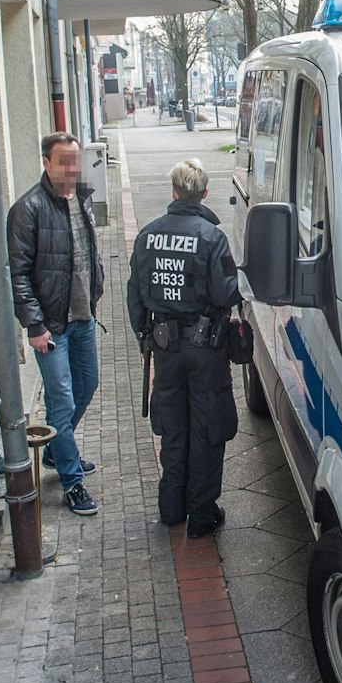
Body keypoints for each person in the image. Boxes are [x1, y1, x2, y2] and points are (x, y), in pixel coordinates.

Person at [128, 158, 242, 537]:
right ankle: (202, 515)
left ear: (174, 191)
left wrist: (146, 337)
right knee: (208, 431)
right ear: (204, 193)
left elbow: (135, 296)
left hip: (165, 350)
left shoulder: (147, 235)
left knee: (174, 431)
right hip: (206, 349)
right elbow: (226, 293)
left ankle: (171, 508)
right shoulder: (211, 237)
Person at [9, 132, 105, 516]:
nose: (71, 168)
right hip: (51, 325)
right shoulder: (28, 209)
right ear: (46, 163)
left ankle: (55, 449)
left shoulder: (81, 197)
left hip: (82, 317)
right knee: (61, 401)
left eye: (75, 160)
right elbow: (17, 274)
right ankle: (71, 480)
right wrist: (34, 326)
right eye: (63, 160)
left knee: (88, 385)